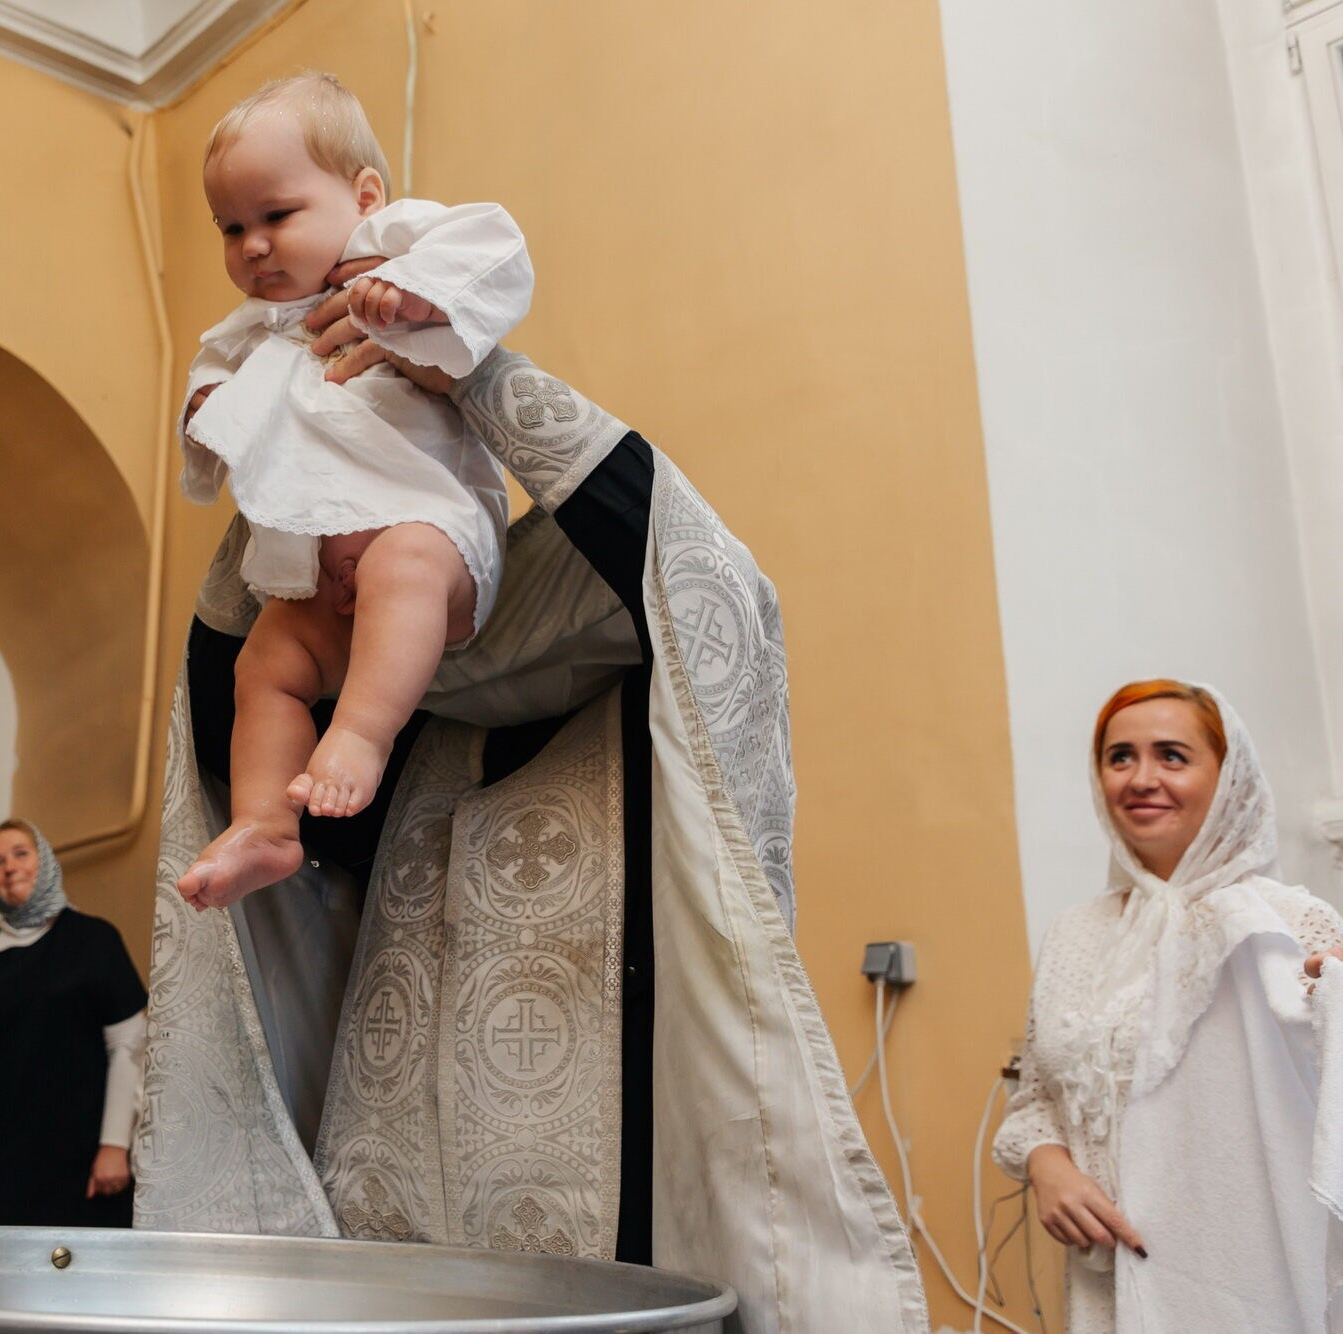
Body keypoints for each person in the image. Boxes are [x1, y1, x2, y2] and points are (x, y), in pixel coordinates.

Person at [139, 297, 928, 1331]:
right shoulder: (400, 711)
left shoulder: (654, 725)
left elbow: (686, 560)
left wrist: (473, 375)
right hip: (391, 1177)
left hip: (611, 1181)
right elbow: (231, 699)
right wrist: (298, 444)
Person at [175, 71, 533, 907]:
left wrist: (414, 292)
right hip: (314, 568)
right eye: (231, 227)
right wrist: (200, 408)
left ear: (363, 195)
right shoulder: (244, 331)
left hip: (427, 531)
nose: (253, 245)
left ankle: (361, 737)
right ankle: (265, 825)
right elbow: (209, 390)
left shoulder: (400, 243)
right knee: (266, 666)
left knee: (404, 560)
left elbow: (498, 249)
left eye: (276, 215)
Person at [993, 680, 1343, 1332]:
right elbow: (1039, 1096)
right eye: (1119, 757)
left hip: (1249, 1283)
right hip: (1110, 1281)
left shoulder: (1288, 921)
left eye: (1172, 756)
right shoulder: (1076, 934)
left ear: (1228, 777)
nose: (1140, 778)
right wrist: (1048, 1166)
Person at [0, 819, 147, 1226]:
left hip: (75, 1151)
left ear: (47, 862)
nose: (8, 867)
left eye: (21, 853)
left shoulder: (94, 940)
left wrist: (114, 1145)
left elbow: (128, 1046)